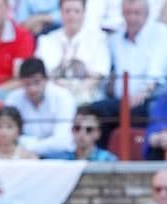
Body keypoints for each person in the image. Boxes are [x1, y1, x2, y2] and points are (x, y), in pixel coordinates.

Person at [91, 0, 167, 147]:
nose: (132, 18)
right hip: (121, 101)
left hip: (149, 100)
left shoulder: (161, 33)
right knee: (95, 111)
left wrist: (142, 94)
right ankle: (103, 159)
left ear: (146, 14)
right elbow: (108, 72)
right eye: (128, 13)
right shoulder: (115, 39)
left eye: (136, 13)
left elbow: (155, 72)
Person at [35, 0, 111, 103]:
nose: (72, 16)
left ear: (84, 13)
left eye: (76, 11)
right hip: (53, 99)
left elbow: (99, 74)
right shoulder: (46, 40)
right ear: (61, 13)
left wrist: (77, 90)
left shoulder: (98, 39)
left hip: (87, 100)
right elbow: (42, 74)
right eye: (67, 11)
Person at [6, 56, 75, 155]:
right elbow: (8, 138)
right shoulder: (13, 98)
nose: (32, 89)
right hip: (23, 156)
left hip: (58, 155)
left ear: (46, 79)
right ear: (20, 82)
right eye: (27, 84)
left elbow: (62, 142)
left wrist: (28, 144)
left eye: (37, 82)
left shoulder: (63, 97)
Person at [48, 104, 118, 158]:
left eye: (89, 129)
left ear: (98, 133)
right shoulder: (61, 159)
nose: (82, 133)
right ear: (72, 130)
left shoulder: (108, 160)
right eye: (77, 128)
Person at [145, 91, 167, 159]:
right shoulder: (163, 99)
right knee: (153, 140)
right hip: (161, 140)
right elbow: (155, 123)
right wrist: (162, 132)